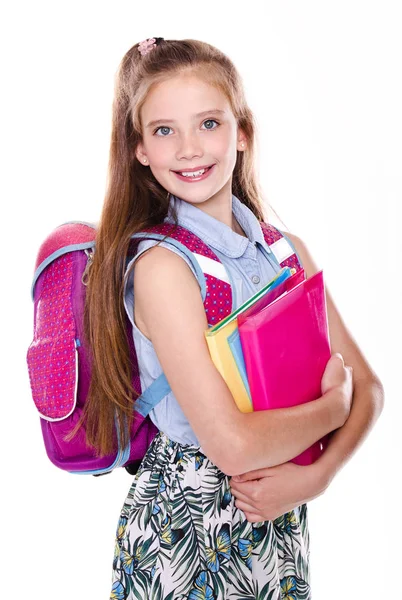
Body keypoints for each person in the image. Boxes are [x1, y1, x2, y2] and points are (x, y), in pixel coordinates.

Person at [82, 37, 384, 599]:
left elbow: (369, 387)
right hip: (183, 529)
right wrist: (332, 407)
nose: (190, 148)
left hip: (279, 519)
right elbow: (232, 445)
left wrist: (316, 478)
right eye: (164, 130)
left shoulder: (286, 251)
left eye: (210, 123)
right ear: (140, 149)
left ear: (242, 132)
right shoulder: (163, 268)